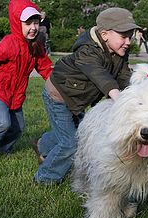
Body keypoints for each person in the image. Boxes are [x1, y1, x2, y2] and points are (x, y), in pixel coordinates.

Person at [32, 7, 140, 185]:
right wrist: (118, 98)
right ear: (105, 34)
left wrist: (138, 90)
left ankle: (41, 144)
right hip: (58, 96)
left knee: (73, 134)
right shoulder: (87, 51)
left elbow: (122, 76)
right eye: (124, 36)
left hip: (78, 100)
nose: (128, 42)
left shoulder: (119, 52)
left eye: (131, 36)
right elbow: (100, 76)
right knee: (70, 144)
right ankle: (44, 179)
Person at [0, 0, 53, 154]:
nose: (33, 28)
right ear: (17, 23)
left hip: (16, 95)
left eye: (36, 23)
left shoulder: (35, 46)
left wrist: (56, 82)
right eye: (28, 23)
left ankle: (2, 151)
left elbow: (45, 67)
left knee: (18, 128)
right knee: (2, 123)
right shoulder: (8, 44)